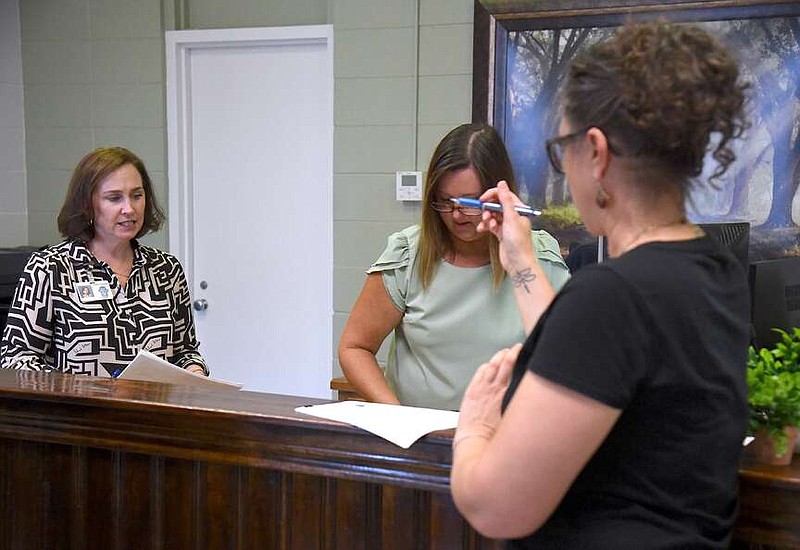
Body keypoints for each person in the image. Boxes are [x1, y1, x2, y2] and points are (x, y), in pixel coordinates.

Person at [450, 22, 750, 549]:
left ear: (596, 152)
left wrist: (475, 426)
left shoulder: (615, 296)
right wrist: (519, 254)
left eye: (562, 148)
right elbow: (592, 361)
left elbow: (496, 507)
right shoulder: (712, 271)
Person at [338, 123, 570, 410]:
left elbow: (566, 359)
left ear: (498, 197)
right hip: (417, 437)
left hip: (502, 437)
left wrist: (520, 258)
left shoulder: (537, 258)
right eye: (446, 202)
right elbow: (355, 347)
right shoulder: (408, 255)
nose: (457, 215)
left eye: (469, 203)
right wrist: (395, 416)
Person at [0, 147, 209, 377]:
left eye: (137, 195)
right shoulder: (51, 267)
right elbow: (15, 358)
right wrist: (75, 389)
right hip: (80, 411)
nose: (129, 209)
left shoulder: (166, 269)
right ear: (88, 204)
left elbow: (185, 351)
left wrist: (195, 371)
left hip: (153, 411)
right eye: (114, 198)